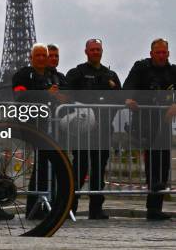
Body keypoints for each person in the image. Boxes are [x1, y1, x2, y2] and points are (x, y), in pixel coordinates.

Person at [65, 38, 121, 219]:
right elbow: (68, 97)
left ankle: (96, 209)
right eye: (93, 50)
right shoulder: (77, 73)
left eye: (98, 49)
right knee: (78, 170)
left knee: (99, 171)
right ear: (86, 51)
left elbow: (119, 100)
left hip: (103, 130)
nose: (96, 52)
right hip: (82, 131)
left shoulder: (111, 75)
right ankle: (69, 207)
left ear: (102, 51)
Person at [123, 38, 176, 221]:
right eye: (158, 53)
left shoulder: (172, 71)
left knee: (164, 165)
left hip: (164, 122)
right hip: (144, 121)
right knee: (153, 162)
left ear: (168, 53)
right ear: (151, 53)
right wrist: (129, 99)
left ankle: (156, 207)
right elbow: (128, 86)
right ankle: (152, 207)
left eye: (164, 53)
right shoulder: (141, 67)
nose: (161, 56)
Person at [12, 43, 66, 220]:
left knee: (48, 165)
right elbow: (20, 96)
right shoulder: (23, 74)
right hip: (30, 125)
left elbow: (66, 96)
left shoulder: (54, 77)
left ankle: (45, 204)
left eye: (45, 55)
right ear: (31, 57)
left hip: (51, 125)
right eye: (38, 56)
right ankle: (34, 206)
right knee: (43, 164)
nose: (42, 59)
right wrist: (46, 94)